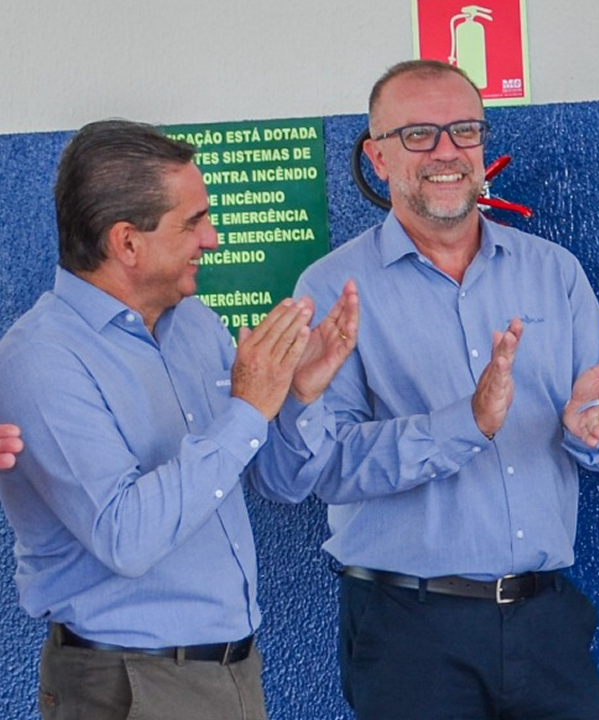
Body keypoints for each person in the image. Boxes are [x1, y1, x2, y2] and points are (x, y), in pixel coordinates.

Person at [281, 60, 599, 719]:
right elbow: (323, 464)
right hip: (409, 632)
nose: (446, 151)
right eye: (418, 134)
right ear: (378, 157)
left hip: (546, 624)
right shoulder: (333, 288)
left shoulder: (554, 272)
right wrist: (465, 424)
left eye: (464, 130)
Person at [0, 119, 358, 720]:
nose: (211, 240)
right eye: (193, 222)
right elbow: (126, 537)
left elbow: (279, 482)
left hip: (233, 671)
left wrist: (296, 396)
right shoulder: (40, 359)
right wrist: (249, 409)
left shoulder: (195, 323)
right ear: (127, 243)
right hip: (127, 685)